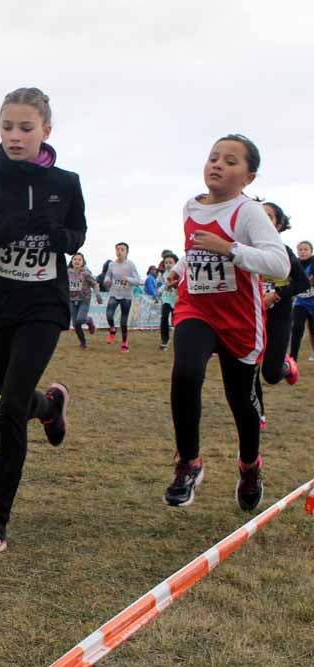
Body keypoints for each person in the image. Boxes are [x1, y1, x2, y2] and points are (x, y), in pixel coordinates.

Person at [0, 87, 85, 554]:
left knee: (7, 407)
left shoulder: (65, 184)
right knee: (18, 398)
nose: (14, 136)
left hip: (44, 306)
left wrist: (57, 234)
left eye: (25, 128)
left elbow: (77, 235)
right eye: (7, 127)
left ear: (46, 130)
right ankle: (49, 408)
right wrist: (2, 233)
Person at [163, 134, 288, 510]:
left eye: (230, 161)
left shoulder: (248, 211)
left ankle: (250, 465)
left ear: (248, 177)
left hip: (238, 320)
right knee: (185, 374)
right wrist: (181, 269)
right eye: (213, 157)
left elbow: (279, 264)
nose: (217, 164)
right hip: (196, 308)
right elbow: (194, 248)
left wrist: (230, 249)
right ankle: (189, 462)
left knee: (242, 401)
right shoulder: (190, 206)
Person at [253, 201, 305, 429]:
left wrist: (276, 294)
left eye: (269, 217)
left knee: (271, 374)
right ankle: (258, 414)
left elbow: (302, 282)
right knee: (249, 366)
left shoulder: (284, 253)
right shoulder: (246, 250)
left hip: (279, 316)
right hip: (252, 316)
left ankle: (286, 365)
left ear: (279, 225)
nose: (262, 220)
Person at [103, 242, 142, 353]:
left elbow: (137, 280)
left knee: (123, 322)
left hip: (126, 296)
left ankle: (124, 343)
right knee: (109, 315)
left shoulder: (130, 265)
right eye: (117, 249)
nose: (119, 252)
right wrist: (107, 281)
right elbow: (107, 276)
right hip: (114, 293)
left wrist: (128, 279)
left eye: (122, 249)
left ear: (127, 252)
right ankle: (112, 329)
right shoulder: (112, 265)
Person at [67, 252, 101, 349]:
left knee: (80, 319)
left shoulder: (85, 273)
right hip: (72, 300)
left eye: (79, 260)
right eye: (75, 259)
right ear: (72, 261)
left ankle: (89, 320)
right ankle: (83, 342)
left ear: (83, 262)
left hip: (84, 299)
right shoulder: (67, 272)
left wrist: (97, 294)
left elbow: (94, 284)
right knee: (75, 324)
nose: (77, 261)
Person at [290, 240, 314, 362]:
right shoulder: (295, 263)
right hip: (301, 302)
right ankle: (293, 358)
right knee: (297, 328)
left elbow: (308, 280)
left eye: (306, 249)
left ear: (311, 251)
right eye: (300, 250)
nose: (302, 252)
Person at [158, 253, 179, 350]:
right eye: (166, 262)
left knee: (177, 322)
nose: (168, 264)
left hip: (177, 300)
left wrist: (161, 289)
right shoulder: (164, 274)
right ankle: (165, 340)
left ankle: (180, 340)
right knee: (164, 317)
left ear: (176, 263)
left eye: (170, 262)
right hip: (166, 299)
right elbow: (165, 284)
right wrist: (160, 291)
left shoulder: (179, 273)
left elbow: (168, 285)